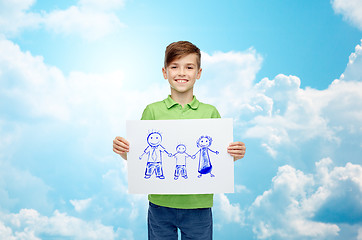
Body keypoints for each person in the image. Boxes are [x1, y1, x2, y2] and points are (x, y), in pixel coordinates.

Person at [113, 41, 246, 240]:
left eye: (189, 67)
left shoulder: (210, 112)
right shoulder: (152, 111)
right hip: (160, 204)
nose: (181, 73)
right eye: (174, 67)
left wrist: (235, 154)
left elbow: (220, 161)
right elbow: (139, 156)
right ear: (165, 72)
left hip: (198, 205)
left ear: (199, 73)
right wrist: (124, 150)